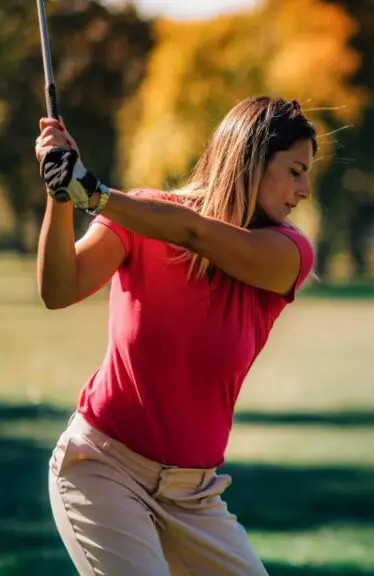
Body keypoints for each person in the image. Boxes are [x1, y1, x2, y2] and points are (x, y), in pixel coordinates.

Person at [35, 95, 318, 575]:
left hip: (194, 497)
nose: (305, 188)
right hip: (102, 470)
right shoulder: (139, 216)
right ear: (251, 161)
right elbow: (58, 289)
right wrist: (61, 194)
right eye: (294, 170)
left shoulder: (288, 252)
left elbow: (196, 235)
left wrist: (92, 191)